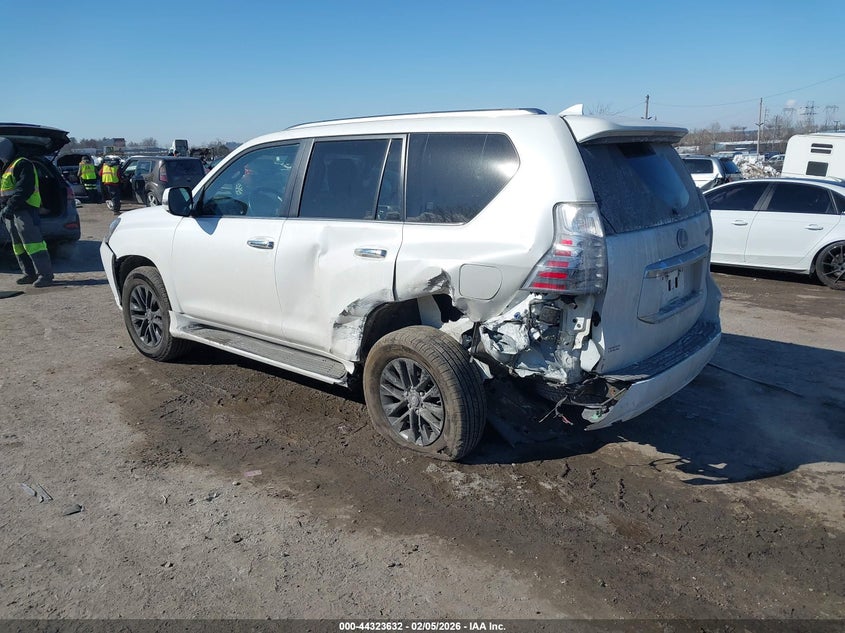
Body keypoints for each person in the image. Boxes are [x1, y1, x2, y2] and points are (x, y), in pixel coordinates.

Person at [0, 137, 54, 287]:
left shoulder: (22, 164)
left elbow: (24, 189)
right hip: (11, 211)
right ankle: (29, 274)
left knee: (34, 243)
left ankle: (45, 275)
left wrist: (10, 207)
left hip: (25, 209)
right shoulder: (6, 167)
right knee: (18, 245)